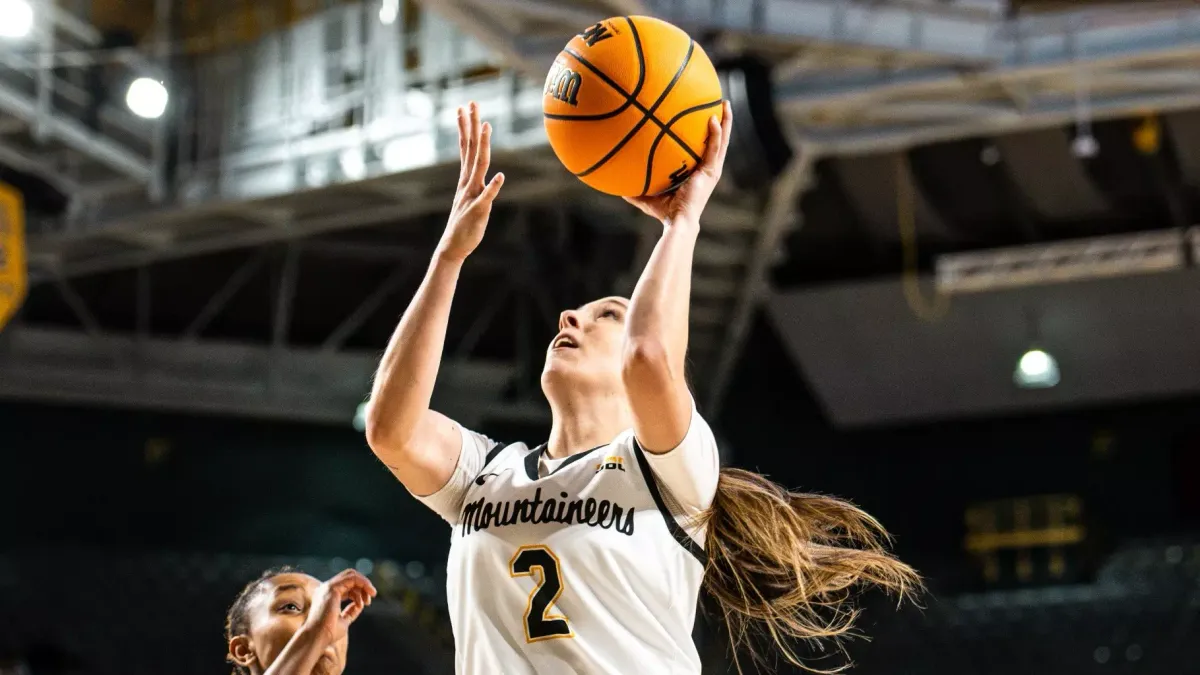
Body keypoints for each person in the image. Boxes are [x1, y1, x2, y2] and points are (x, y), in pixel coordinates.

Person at [365, 101, 919, 674]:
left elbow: (650, 355)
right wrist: (449, 257)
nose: (569, 317)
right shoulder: (485, 473)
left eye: (606, 314)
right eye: (577, 313)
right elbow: (390, 429)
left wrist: (682, 222)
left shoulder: (671, 471)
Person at [225, 567, 377, 675]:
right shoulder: (318, 628)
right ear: (244, 650)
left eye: (330, 610)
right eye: (291, 607)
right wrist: (315, 632)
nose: (326, 620)